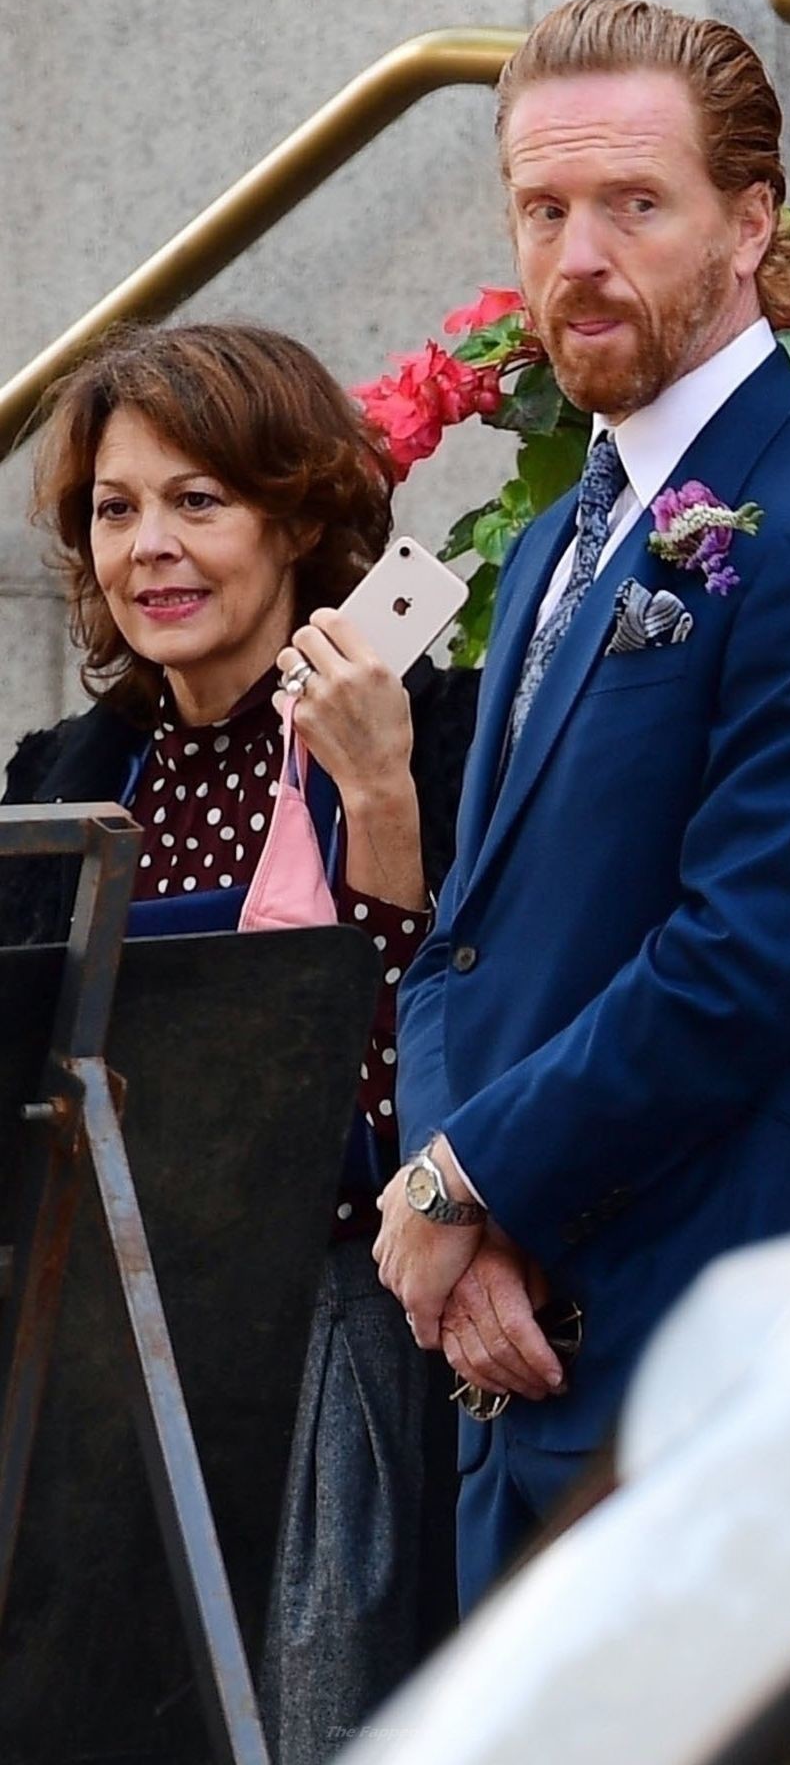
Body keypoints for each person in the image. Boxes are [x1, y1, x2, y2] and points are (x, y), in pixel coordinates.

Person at [373, 0, 790, 1613]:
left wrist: (465, 1185)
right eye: (543, 209)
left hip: (719, 1336)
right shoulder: (555, 539)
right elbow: (470, 939)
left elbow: (755, 950)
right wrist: (458, 1212)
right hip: (517, 1352)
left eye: (635, 204)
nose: (577, 257)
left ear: (751, 222)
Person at [0, 321, 477, 1761]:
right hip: (102, 1357)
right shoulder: (65, 775)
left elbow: (435, 1058)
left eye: (198, 500)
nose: (150, 546)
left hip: (335, 1336)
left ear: (298, 517)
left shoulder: (439, 734)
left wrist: (378, 797)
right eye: (116, 508)